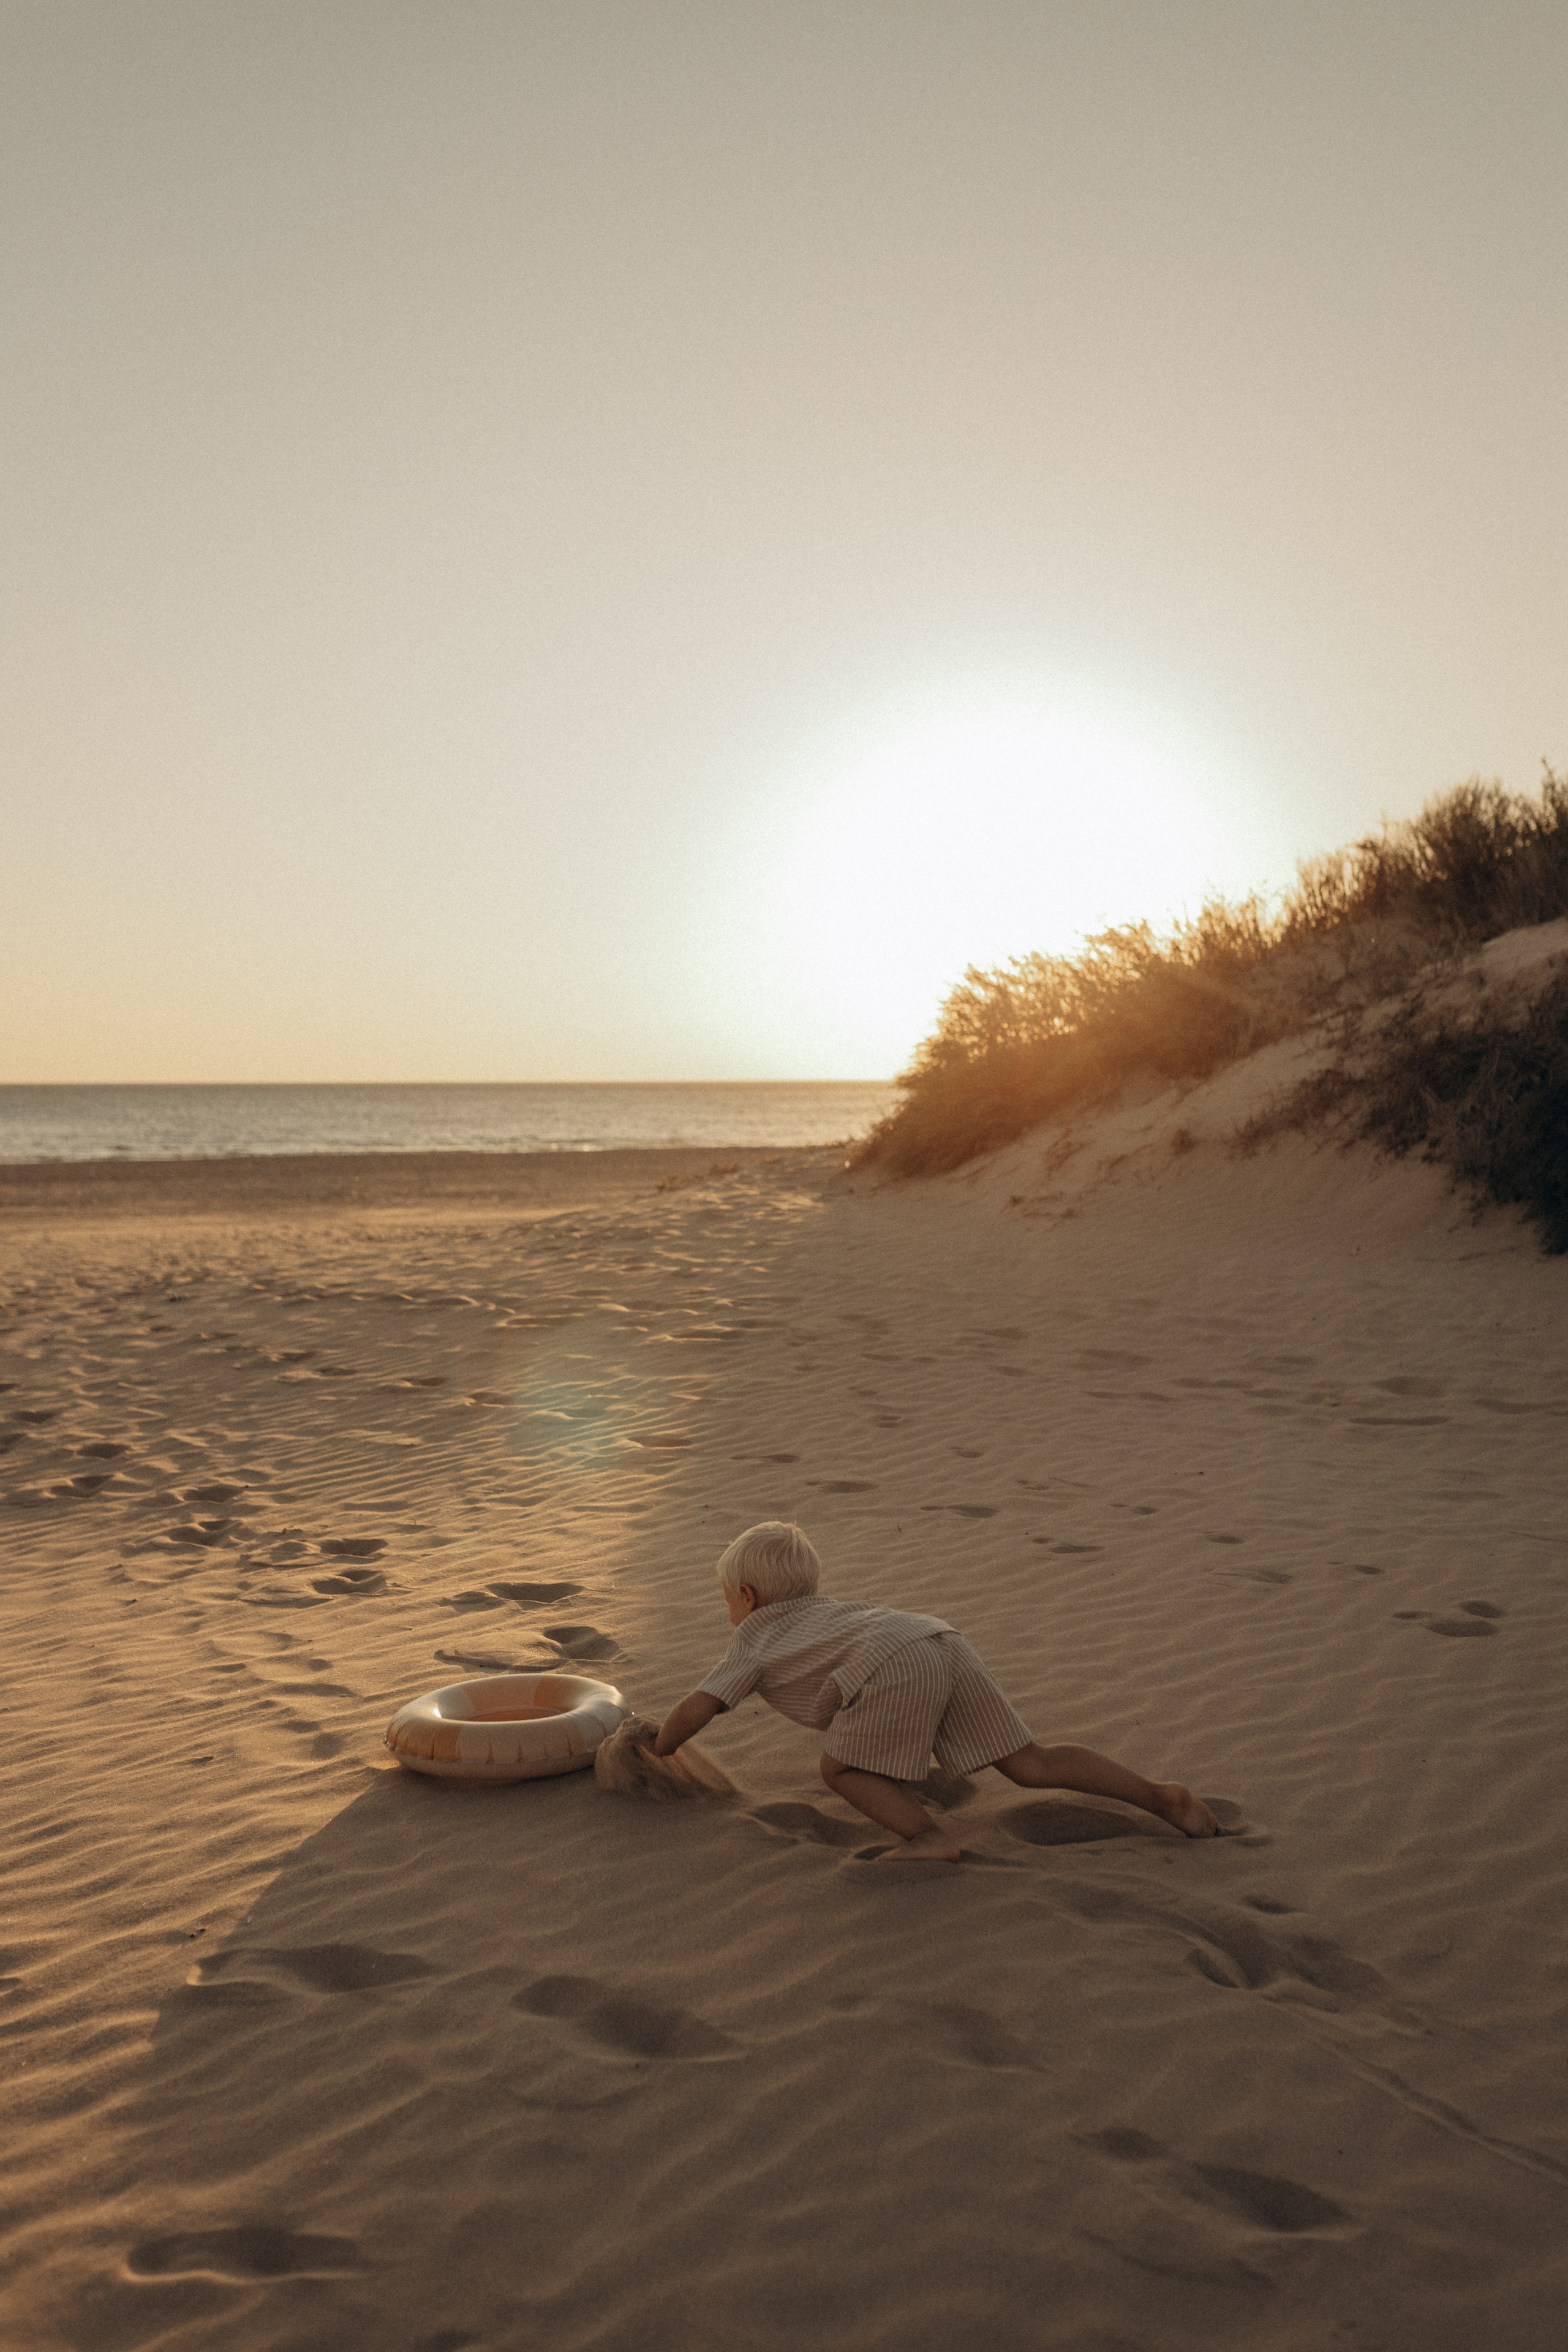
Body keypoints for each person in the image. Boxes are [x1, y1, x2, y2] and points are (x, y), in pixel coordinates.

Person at [655, 1520, 1219, 1863]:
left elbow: (699, 1707)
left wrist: (657, 1745)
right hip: (935, 1635)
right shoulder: (825, 1611)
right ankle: (1162, 1797)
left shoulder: (754, 1638)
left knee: (842, 1770)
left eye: (725, 1597)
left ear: (747, 1597)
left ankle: (926, 1836)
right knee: (1030, 1761)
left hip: (895, 1663)